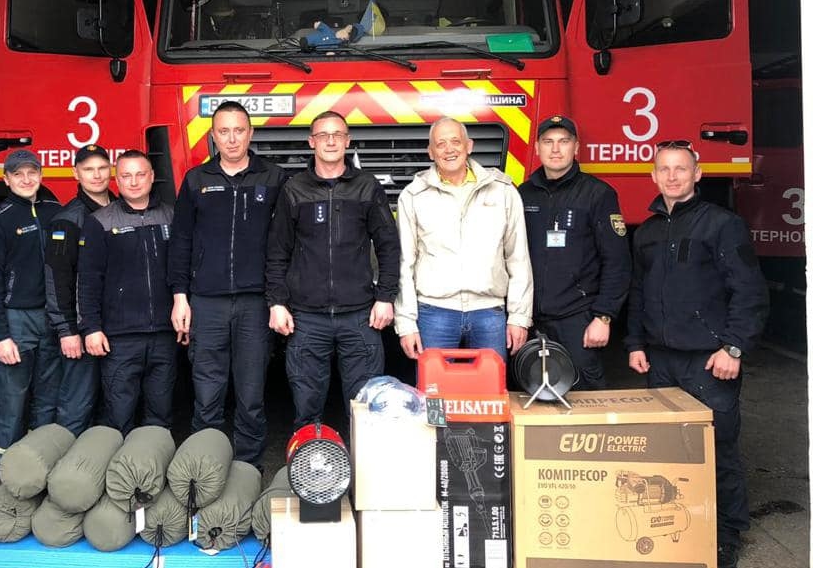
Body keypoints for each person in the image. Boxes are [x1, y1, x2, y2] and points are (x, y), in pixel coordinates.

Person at [625, 140, 768, 568]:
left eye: (681, 169)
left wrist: (734, 347)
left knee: (717, 452)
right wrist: (634, 343)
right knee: (668, 453)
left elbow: (749, 290)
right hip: (661, 361)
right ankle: (680, 532)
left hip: (710, 362)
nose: (672, 176)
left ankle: (724, 539)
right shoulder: (647, 232)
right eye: (665, 169)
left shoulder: (723, 225)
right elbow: (638, 293)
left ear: (698, 174)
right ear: (654, 176)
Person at [168, 101, 284, 468]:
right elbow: (181, 241)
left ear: (250, 134)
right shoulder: (196, 180)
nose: (232, 139)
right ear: (213, 136)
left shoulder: (274, 179)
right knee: (207, 393)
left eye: (238, 130)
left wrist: (278, 298)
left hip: (255, 303)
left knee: (251, 395)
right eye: (224, 131)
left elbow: (284, 244)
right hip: (206, 302)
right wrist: (180, 297)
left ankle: (248, 468)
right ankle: (206, 466)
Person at [266, 111, 400, 430]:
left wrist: (386, 297)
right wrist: (277, 302)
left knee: (365, 411)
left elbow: (389, 246)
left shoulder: (367, 187)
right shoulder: (293, 189)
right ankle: (309, 460)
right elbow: (277, 252)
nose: (330, 141)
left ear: (347, 141)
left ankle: (363, 463)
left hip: (360, 316)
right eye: (323, 135)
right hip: (307, 318)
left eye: (337, 135)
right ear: (311, 142)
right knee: (306, 408)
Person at [394, 117, 532, 363]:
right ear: (430, 152)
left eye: (456, 142)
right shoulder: (413, 196)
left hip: (489, 312)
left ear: (469, 146)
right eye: (441, 144)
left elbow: (518, 257)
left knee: (488, 388)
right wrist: (406, 323)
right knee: (436, 388)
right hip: (434, 313)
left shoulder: (502, 191)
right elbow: (405, 263)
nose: (449, 149)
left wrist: (519, 317)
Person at [518, 115, 630, 388]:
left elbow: (617, 261)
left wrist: (603, 316)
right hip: (530, 321)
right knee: (531, 396)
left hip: (577, 320)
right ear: (537, 148)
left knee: (585, 398)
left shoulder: (598, 194)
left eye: (564, 141)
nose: (556, 149)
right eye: (548, 142)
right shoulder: (523, 194)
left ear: (576, 147)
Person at [78, 151, 176, 434]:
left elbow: (184, 271)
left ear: (152, 177)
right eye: (126, 176)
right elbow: (88, 280)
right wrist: (91, 328)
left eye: (140, 174)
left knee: (161, 416)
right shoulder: (99, 222)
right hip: (119, 338)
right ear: (117, 180)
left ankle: (153, 461)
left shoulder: (172, 216)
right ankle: (118, 463)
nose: (134, 182)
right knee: (118, 417)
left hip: (164, 334)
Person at [0, 148, 62, 465]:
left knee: (48, 396)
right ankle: (4, 467)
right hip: (16, 320)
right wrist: (0, 336)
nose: (26, 179)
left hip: (52, 317)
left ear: (41, 175)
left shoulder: (56, 211)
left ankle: (39, 463)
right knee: (11, 399)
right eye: (18, 174)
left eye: (32, 173)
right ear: (6, 179)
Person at [44, 144, 115, 436]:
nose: (96, 175)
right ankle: (65, 460)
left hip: (116, 324)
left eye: (101, 168)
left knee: (113, 404)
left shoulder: (123, 209)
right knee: (77, 404)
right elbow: (57, 279)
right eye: (88, 169)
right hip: (82, 328)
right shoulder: (67, 219)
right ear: (76, 173)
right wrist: (67, 330)